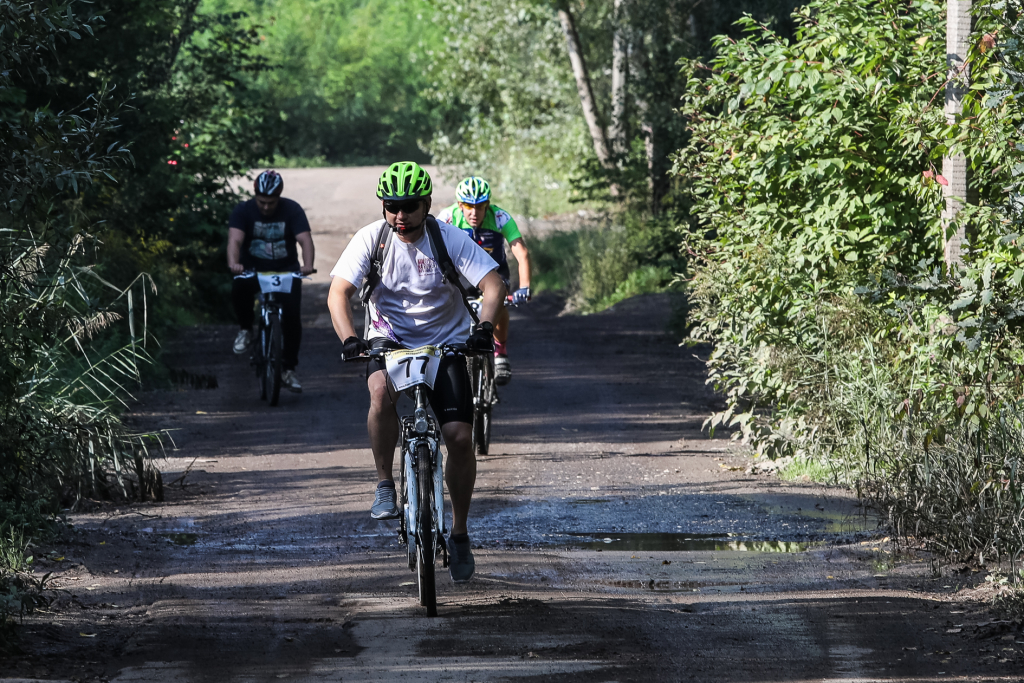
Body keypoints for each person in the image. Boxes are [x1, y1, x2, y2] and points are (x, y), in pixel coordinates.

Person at [327, 162, 505, 582]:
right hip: (388, 341)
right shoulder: (372, 239)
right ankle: (385, 483)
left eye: (408, 207)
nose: (400, 216)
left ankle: (459, 532)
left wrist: (482, 329)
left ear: (426, 204)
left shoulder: (449, 238)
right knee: (378, 394)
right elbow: (339, 293)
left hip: (446, 344)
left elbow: (493, 284)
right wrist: (351, 339)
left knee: (460, 438)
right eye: (392, 207)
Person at [227, 170, 315, 393]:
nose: (266, 207)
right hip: (253, 270)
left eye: (271, 202)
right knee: (239, 288)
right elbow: (234, 241)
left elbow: (305, 240)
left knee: (292, 318)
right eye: (262, 202)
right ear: (255, 196)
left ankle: (288, 369)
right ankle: (246, 329)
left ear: (279, 197)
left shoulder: (292, 209)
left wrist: (307, 264)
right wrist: (234, 264)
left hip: (286, 271)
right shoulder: (243, 210)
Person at [437, 177, 531, 385]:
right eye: (469, 206)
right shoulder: (447, 217)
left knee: (499, 304)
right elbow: (432, 250)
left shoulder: (499, 217)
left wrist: (524, 287)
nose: (474, 212)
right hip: (461, 275)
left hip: (495, 273)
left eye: (480, 207)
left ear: (487, 205)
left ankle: (501, 351)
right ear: (460, 205)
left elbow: (521, 253)